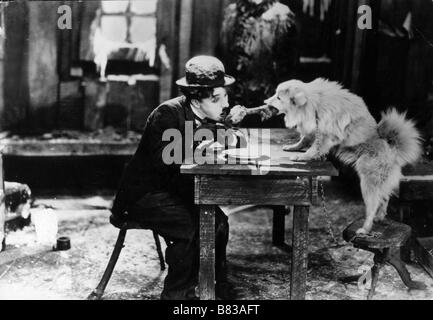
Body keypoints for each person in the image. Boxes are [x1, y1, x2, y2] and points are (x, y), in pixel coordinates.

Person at [111, 56, 248, 300]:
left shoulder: (208, 116)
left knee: (218, 222)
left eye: (225, 95)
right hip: (146, 195)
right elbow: (168, 168)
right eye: (218, 98)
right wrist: (201, 152)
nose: (226, 102)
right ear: (196, 98)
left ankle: (216, 285)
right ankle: (178, 296)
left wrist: (229, 134)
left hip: (178, 190)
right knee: (191, 227)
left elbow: (236, 138)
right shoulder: (167, 115)